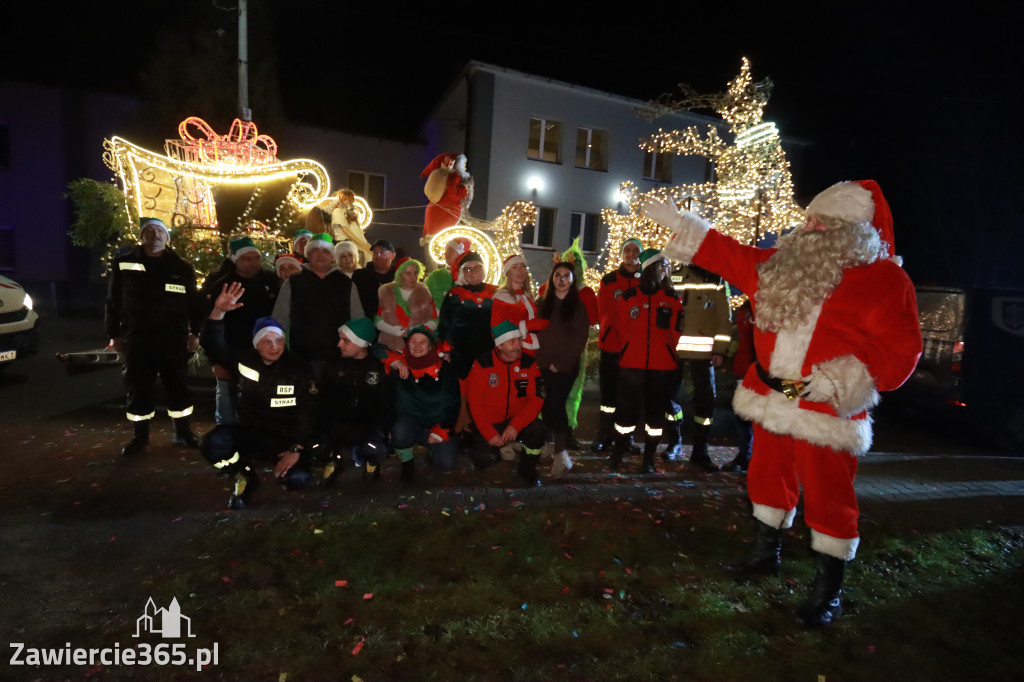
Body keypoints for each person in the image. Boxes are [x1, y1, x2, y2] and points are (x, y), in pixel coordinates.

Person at [643, 179, 922, 627]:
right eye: (810, 219)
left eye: (823, 223)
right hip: (776, 392)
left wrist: (839, 380)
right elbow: (730, 254)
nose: (808, 227)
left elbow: (901, 350)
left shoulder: (885, 280)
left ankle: (829, 587)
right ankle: (765, 553)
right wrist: (681, 223)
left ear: (852, 232)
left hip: (824, 403)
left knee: (828, 491)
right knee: (767, 475)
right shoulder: (778, 265)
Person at [199, 284, 318, 509]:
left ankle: (286, 465)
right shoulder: (244, 359)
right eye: (266, 341)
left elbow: (309, 411)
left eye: (278, 340)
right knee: (212, 444)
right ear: (256, 344)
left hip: (286, 436)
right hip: (251, 431)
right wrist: (218, 312)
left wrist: (296, 448)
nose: (274, 347)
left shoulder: (298, 368)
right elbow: (213, 345)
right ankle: (242, 474)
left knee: (297, 480)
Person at [105, 217, 204, 456]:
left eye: (160, 231)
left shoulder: (181, 267)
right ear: (141, 236)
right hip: (137, 337)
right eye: (149, 230)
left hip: (173, 338)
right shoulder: (124, 263)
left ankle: (183, 432)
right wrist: (114, 334)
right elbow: (113, 300)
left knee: (177, 385)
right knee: (138, 387)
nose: (155, 235)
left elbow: (194, 303)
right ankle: (140, 436)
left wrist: (195, 333)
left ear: (167, 237)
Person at [609, 249, 683, 474]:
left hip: (662, 367)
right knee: (626, 413)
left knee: (655, 415)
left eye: (667, 266)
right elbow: (620, 328)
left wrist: (670, 352)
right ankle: (619, 451)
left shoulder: (672, 298)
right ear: (651, 267)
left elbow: (677, 331)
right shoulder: (628, 297)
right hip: (632, 364)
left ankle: (649, 457)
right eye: (662, 265)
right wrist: (629, 349)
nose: (666, 269)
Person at [199, 236, 280, 425]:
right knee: (228, 408)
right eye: (247, 258)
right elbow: (208, 324)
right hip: (231, 355)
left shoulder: (271, 281)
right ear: (236, 260)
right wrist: (215, 361)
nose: (253, 263)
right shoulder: (222, 285)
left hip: (265, 355)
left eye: (256, 258)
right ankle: (226, 437)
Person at [664, 264, 733, 471]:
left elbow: (724, 317)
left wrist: (720, 350)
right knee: (668, 397)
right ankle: (674, 441)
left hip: (704, 354)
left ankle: (700, 451)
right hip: (673, 350)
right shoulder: (673, 276)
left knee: (705, 402)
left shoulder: (717, 280)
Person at [464, 322, 546, 485]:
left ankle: (527, 469)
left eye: (519, 340)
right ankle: (477, 446)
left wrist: (516, 425)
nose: (518, 346)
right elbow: (474, 403)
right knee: (485, 458)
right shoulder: (482, 364)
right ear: (500, 345)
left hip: (516, 419)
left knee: (539, 429)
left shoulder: (529, 363)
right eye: (512, 342)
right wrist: (489, 433)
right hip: (490, 422)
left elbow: (537, 399)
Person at [272, 232, 362, 378]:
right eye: (315, 250)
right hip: (301, 357)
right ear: (308, 254)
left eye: (325, 251)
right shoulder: (293, 283)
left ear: (332, 256)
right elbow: (279, 319)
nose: (320, 255)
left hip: (338, 357)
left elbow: (357, 319)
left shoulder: (346, 283)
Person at [318, 318, 393, 482]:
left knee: (376, 449)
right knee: (317, 446)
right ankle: (336, 458)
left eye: (345, 341)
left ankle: (369, 460)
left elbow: (389, 404)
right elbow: (322, 402)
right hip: (339, 425)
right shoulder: (333, 367)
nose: (339, 344)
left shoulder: (379, 369)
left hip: (367, 428)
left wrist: (383, 430)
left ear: (361, 343)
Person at [535, 260, 590, 479]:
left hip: (565, 367)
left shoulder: (577, 307)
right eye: (558, 275)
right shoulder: (542, 303)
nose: (562, 279)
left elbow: (579, 339)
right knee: (547, 405)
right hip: (543, 365)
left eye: (567, 276)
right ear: (552, 278)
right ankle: (549, 445)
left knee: (557, 404)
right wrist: (544, 360)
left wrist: (560, 363)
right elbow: (534, 332)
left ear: (573, 280)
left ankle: (561, 454)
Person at [386, 326, 461, 479]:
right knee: (399, 432)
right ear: (408, 344)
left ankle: (433, 453)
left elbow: (453, 402)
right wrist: (394, 361)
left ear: (430, 346)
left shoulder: (444, 368)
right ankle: (407, 460)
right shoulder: (401, 366)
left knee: (446, 463)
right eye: (413, 341)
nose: (417, 346)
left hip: (437, 424)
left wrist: (443, 428)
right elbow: (373, 349)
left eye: (422, 342)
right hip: (410, 423)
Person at [593, 238, 642, 453]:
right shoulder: (609, 280)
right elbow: (603, 313)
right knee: (608, 397)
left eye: (635, 250)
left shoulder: (645, 281)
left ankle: (626, 438)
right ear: (622, 254)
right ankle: (604, 435)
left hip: (635, 350)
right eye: (627, 250)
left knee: (630, 396)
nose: (631, 254)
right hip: (611, 347)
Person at [436, 251, 497, 380]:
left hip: (491, 351)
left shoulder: (496, 292)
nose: (473, 271)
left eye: (477, 267)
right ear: (462, 273)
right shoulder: (454, 294)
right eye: (468, 269)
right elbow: (445, 325)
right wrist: (445, 350)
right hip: (460, 354)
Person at [722, 300, 755, 473]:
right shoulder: (745, 309)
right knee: (742, 415)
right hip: (744, 370)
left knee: (761, 419)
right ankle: (745, 455)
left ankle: (754, 457)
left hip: (766, 373)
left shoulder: (771, 308)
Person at [375, 257, 436, 351]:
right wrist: (397, 331)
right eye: (408, 273)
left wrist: (417, 329)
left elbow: (434, 321)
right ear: (399, 275)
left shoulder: (424, 292)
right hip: (391, 344)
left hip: (419, 345)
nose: (413, 277)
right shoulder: (387, 292)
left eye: (415, 273)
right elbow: (378, 321)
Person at [490, 254, 543, 355]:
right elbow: (496, 330)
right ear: (508, 272)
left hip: (533, 348)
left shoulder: (527, 295)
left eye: (523, 266)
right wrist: (527, 326)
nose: (520, 270)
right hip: (514, 350)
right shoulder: (502, 297)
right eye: (514, 267)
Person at [420, 153, 473, 242]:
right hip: (442, 216)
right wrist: (465, 188)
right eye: (464, 164)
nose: (465, 167)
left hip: (439, 213)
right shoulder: (454, 177)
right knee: (441, 241)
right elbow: (454, 194)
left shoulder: (453, 177)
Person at [352, 239, 397, 320]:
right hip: (365, 322)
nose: (378, 255)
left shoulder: (399, 277)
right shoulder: (359, 276)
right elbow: (353, 302)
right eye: (375, 252)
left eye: (382, 252)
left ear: (393, 256)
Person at [424, 236, 472, 310]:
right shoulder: (435, 276)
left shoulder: (470, 277)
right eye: (446, 250)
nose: (445, 253)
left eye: (450, 250)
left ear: (461, 255)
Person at [330, 188, 373, 259]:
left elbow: (356, 231)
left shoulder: (350, 213)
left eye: (350, 199)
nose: (348, 202)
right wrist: (363, 245)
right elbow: (346, 231)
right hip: (345, 243)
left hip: (355, 242)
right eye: (345, 199)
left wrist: (365, 244)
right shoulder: (337, 212)